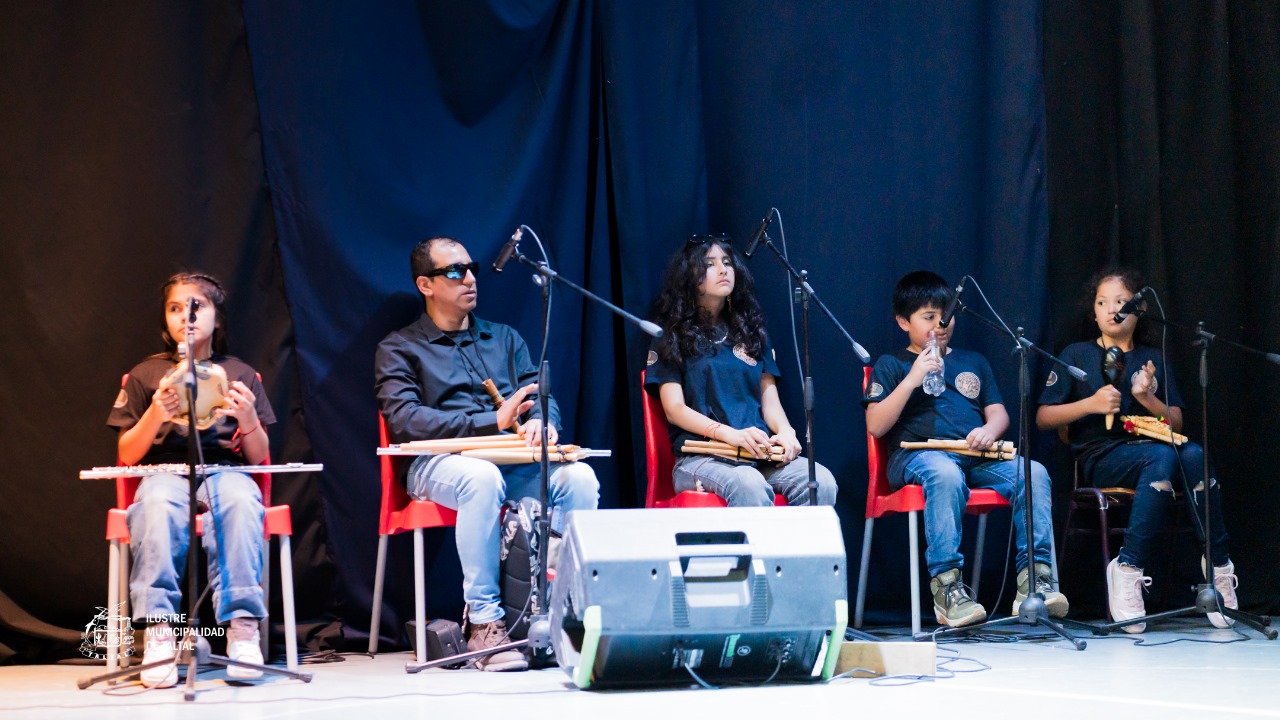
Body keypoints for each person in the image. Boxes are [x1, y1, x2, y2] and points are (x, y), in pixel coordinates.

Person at [375, 236, 600, 672]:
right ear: (425, 284)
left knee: (580, 478)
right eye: (455, 271)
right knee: (480, 478)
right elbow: (406, 421)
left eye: (471, 268)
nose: (470, 278)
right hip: (438, 465)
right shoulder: (399, 347)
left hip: (512, 460)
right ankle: (484, 622)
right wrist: (491, 422)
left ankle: (563, 611)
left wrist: (543, 420)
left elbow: (540, 394)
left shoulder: (505, 339)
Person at [1036, 268, 1238, 632]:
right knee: (1165, 457)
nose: (1111, 309)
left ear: (1138, 309)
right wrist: (1091, 405)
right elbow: (1044, 417)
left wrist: (1147, 397)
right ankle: (1127, 566)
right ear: (1093, 312)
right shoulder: (1076, 354)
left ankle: (1219, 567)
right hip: (1102, 456)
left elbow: (1176, 422)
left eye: (1120, 301)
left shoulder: (1152, 357)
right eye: (1102, 302)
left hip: (1154, 451)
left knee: (1191, 453)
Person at [863, 270, 1066, 627]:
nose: (939, 325)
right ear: (902, 321)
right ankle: (947, 588)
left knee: (1033, 472)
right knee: (943, 472)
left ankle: (1034, 580)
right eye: (928, 317)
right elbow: (876, 425)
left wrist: (989, 430)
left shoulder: (974, 362)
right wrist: (913, 376)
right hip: (918, 456)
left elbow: (998, 412)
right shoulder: (891, 363)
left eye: (945, 316)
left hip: (976, 456)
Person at [108, 272, 274, 688]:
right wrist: (155, 415)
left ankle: (241, 632)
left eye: (198, 307)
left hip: (225, 469)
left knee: (239, 501)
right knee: (158, 504)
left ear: (217, 318)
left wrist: (249, 418)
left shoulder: (240, 372)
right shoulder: (147, 374)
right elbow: (127, 453)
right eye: (175, 308)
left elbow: (259, 456)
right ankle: (161, 633)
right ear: (165, 319)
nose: (187, 317)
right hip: (164, 470)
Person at [644, 234, 837, 507]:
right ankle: (754, 552)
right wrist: (729, 434)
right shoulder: (671, 334)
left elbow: (770, 404)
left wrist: (786, 432)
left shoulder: (751, 332)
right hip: (700, 458)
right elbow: (674, 409)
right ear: (689, 276)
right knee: (748, 482)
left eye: (727, 262)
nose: (723, 269)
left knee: (820, 481)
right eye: (710, 264)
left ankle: (792, 552)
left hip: (756, 454)